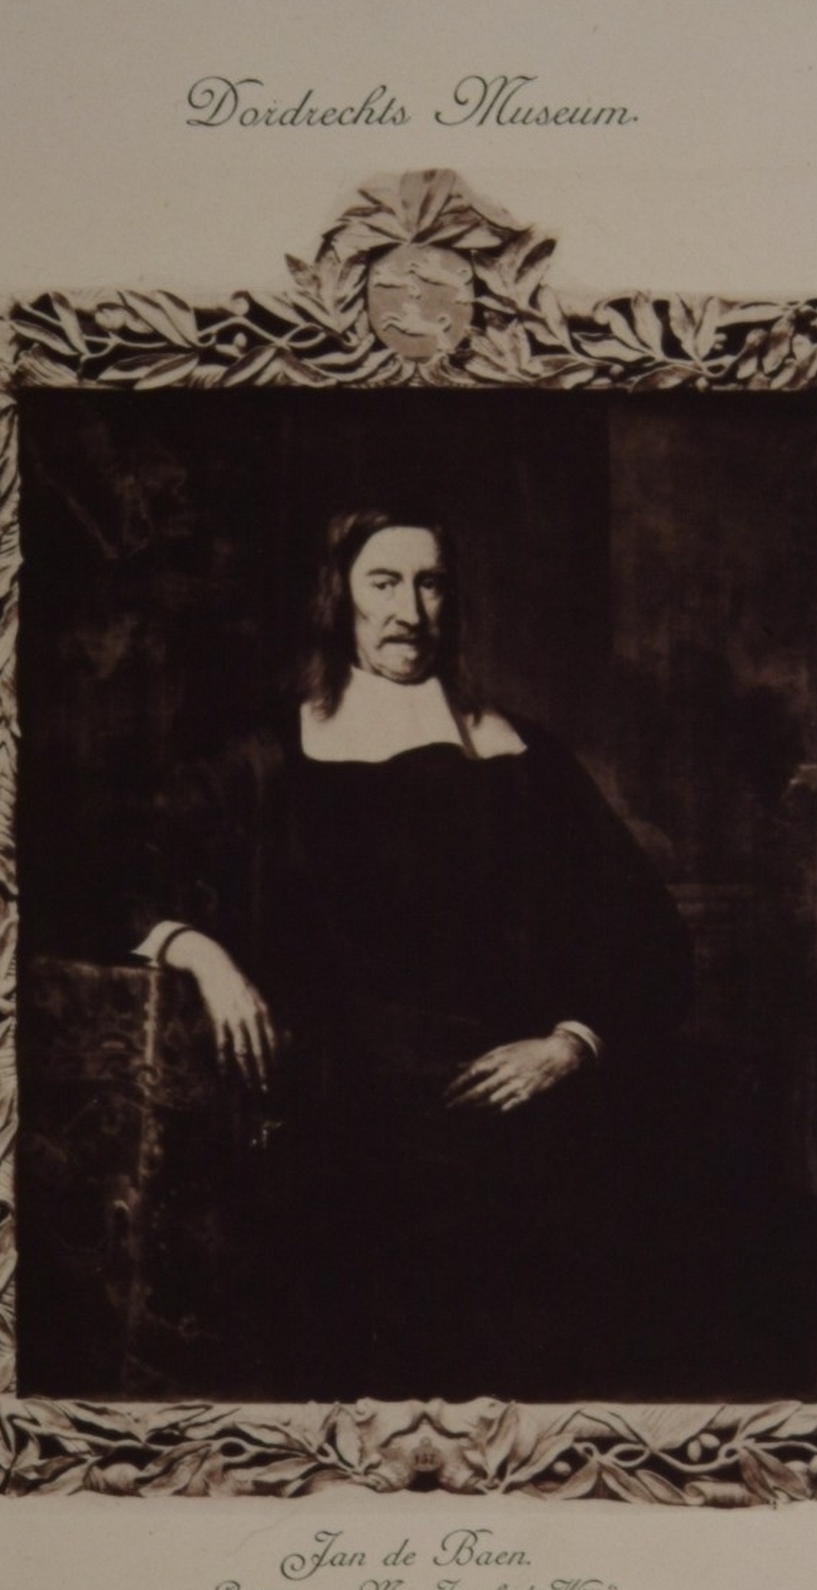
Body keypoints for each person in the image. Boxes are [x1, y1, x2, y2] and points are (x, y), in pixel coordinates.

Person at [131, 509, 692, 1403]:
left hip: (504, 1116)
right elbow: (128, 869)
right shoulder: (269, 752)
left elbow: (646, 933)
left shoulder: (522, 756)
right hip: (333, 1122)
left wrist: (568, 1044)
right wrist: (204, 955)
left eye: (430, 584)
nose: (409, 610)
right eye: (383, 583)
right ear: (339, 599)